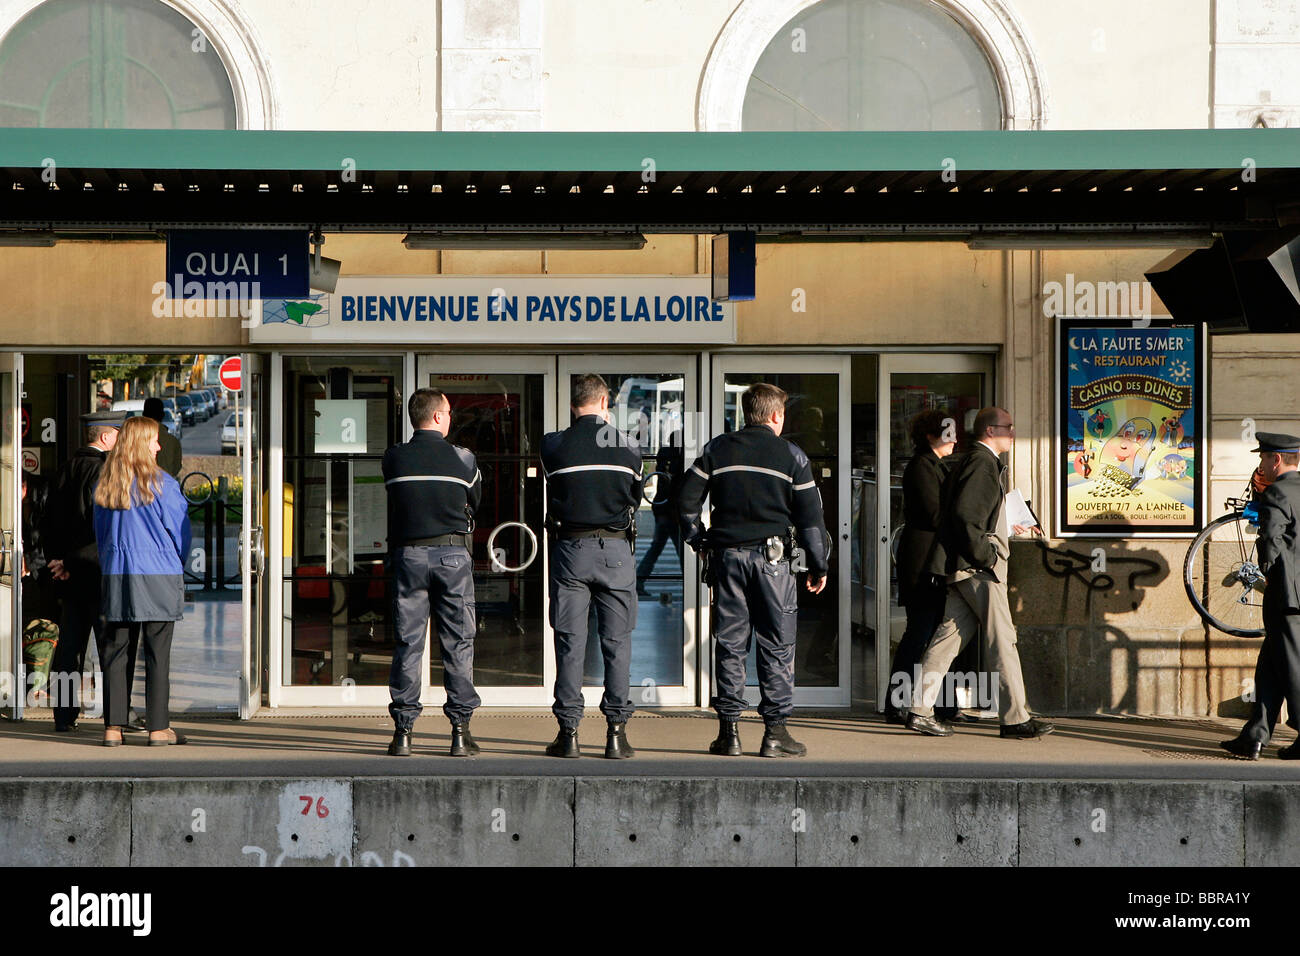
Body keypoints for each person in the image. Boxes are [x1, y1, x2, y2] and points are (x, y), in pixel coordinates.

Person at [678, 382, 829, 758]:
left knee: (730, 643)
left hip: (727, 558)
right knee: (776, 645)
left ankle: (728, 734)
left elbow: (685, 502)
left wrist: (699, 541)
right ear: (777, 415)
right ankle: (775, 734)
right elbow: (811, 520)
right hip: (773, 563)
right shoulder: (791, 455)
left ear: (747, 413)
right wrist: (818, 565)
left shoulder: (718, 448)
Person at [907, 406, 1054, 739]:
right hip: (977, 568)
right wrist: (986, 555)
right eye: (1008, 427)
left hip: (962, 566)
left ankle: (918, 708)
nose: (1013, 433)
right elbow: (965, 516)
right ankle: (1016, 719)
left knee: (947, 639)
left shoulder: (976, 462)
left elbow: (968, 514)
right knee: (1003, 640)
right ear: (990, 431)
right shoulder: (982, 463)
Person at [540, 373, 642, 759]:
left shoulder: (554, 446)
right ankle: (616, 734)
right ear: (605, 403)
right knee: (617, 643)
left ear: (572, 405)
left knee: (570, 643)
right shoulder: (628, 446)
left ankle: (568, 734)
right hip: (615, 551)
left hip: (572, 550)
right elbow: (634, 496)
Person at [382, 388, 483, 757]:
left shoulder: (394, 458)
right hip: (452, 555)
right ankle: (459, 731)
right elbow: (476, 501)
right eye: (450, 412)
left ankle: (403, 733)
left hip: (408, 555)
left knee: (409, 642)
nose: (452, 417)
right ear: (438, 417)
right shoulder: (463, 459)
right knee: (457, 641)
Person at [92, 416, 192, 746]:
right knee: (157, 654)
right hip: (158, 574)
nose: (159, 446)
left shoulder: (106, 485)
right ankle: (158, 728)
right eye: (153, 440)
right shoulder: (163, 484)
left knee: (116, 654)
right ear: (141, 444)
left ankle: (113, 728)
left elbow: (100, 534)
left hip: (118, 573)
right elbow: (180, 533)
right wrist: (178, 562)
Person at [43, 411, 144, 734]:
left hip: (67, 574)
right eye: (118, 434)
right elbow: (101, 528)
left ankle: (63, 715)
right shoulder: (103, 472)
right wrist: (72, 561)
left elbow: (49, 520)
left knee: (69, 646)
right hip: (98, 573)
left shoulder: (65, 469)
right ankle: (117, 715)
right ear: (106, 438)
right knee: (112, 648)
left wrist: (57, 561)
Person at [1221, 432, 1300, 760]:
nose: (1261, 463)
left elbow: (1270, 536)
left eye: (1264, 458)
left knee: (1293, 664)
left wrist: (1268, 570)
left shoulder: (1277, 492)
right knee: (1270, 664)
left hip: (1287, 595)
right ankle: (1255, 735)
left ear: (1277, 459)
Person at [885, 408, 956, 724]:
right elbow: (933, 514)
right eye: (947, 432)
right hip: (923, 563)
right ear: (931, 436)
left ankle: (938, 704)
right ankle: (898, 702)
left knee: (931, 635)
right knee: (920, 634)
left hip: (930, 561)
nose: (954, 439)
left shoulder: (934, 466)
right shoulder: (922, 467)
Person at [635, 427, 683, 597]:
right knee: (681, 550)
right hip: (672, 512)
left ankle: (639, 581)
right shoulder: (680, 458)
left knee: (656, 548)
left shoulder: (664, 454)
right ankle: (691, 584)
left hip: (661, 508)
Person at [143, 397, 182, 479]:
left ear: (143, 414)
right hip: (166, 485)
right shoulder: (173, 441)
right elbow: (176, 468)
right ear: (162, 415)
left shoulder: (134, 439)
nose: (158, 448)